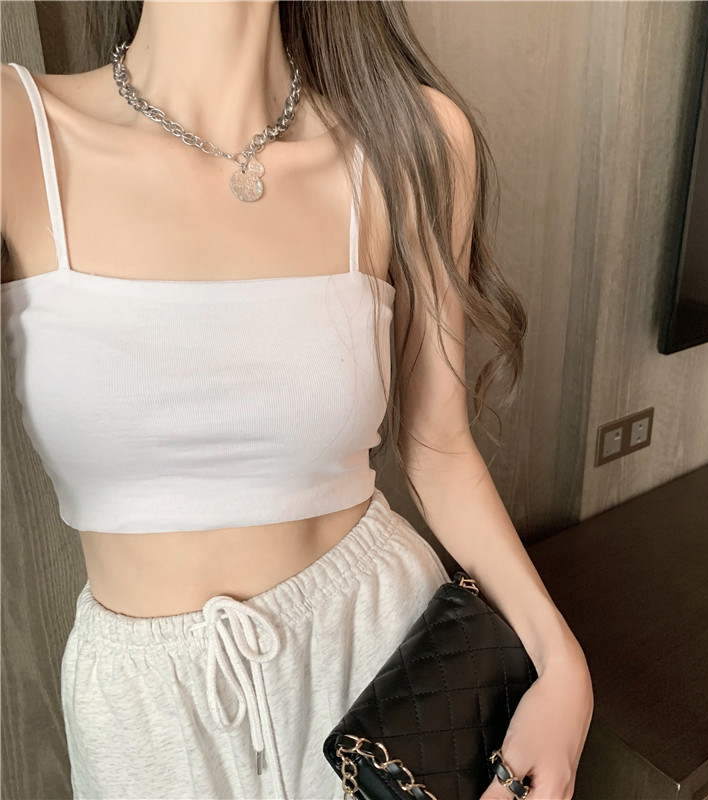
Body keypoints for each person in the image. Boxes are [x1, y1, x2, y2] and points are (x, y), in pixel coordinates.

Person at [0, 2, 593, 799]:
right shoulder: (18, 131)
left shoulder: (413, 140)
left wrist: (563, 666)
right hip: (147, 722)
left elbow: (440, 449)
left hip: (382, 680)